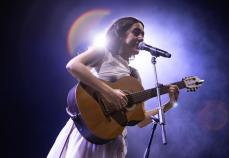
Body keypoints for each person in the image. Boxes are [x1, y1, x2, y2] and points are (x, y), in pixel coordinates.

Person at [47, 17, 179, 158]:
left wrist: (169, 104)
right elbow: (73, 65)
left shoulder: (134, 75)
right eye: (136, 32)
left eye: (143, 34)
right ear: (121, 35)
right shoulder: (103, 52)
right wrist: (109, 92)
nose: (141, 37)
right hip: (89, 132)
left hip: (113, 139)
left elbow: (140, 120)